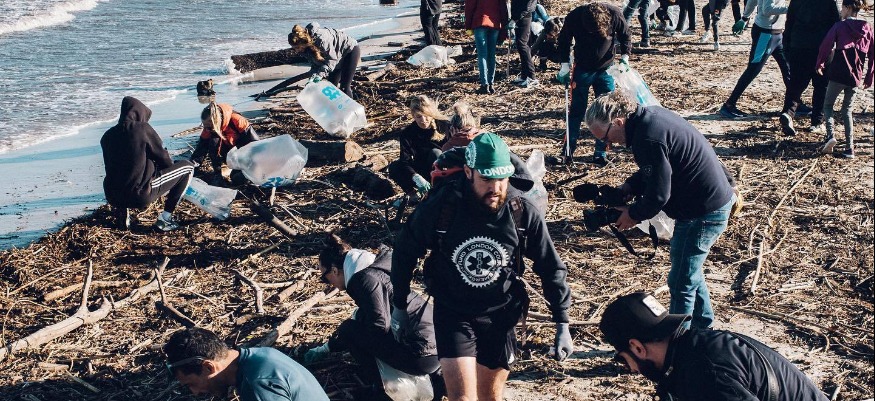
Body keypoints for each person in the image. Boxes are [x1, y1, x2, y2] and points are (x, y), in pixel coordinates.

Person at [391, 133, 572, 401]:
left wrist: (562, 321)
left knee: (490, 398)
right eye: (486, 179)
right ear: (468, 172)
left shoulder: (521, 211)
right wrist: (399, 305)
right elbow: (405, 251)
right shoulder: (443, 206)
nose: (495, 188)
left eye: (502, 179)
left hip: (500, 313)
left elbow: (550, 266)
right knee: (462, 398)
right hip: (453, 311)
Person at [585, 91, 737, 330]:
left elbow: (658, 195)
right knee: (688, 268)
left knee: (681, 282)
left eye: (606, 138)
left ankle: (678, 341)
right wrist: (630, 187)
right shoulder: (650, 118)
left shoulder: (648, 138)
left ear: (618, 122)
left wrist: (632, 215)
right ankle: (702, 326)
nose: (608, 146)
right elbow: (659, 168)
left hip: (703, 211)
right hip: (708, 201)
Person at [600, 292, 830, 401]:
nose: (631, 370)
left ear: (637, 347)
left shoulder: (703, 373)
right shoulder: (696, 346)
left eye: (622, 359)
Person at [303, 233, 445, 400]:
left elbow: (379, 326)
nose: (327, 283)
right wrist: (329, 346)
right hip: (439, 347)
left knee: (348, 329)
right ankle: (436, 379)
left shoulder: (363, 279)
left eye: (324, 277)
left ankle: (383, 389)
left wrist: (344, 341)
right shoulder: (377, 269)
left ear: (334, 270)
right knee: (359, 318)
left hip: (420, 356)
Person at [101, 96, 195, 232]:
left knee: (121, 170)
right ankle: (165, 219)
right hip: (140, 195)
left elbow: (111, 169)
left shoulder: (107, 136)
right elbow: (164, 160)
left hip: (113, 196)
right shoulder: (142, 128)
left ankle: (122, 214)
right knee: (187, 167)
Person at [554, 2, 631, 166]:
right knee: (576, 110)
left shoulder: (614, 15)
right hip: (582, 68)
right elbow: (564, 40)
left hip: (606, 69)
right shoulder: (574, 17)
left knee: (607, 111)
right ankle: (568, 151)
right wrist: (564, 65)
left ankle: (600, 153)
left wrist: (625, 58)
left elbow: (625, 35)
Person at [163, 327, 329, 401]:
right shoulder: (260, 355)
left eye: (191, 384)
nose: (195, 392)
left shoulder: (256, 383)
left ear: (209, 367)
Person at [815, 0, 873, 159]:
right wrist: (869, 76)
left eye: (842, 8)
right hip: (855, 76)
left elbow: (826, 45)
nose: (840, 11)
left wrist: (820, 63)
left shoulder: (839, 26)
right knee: (847, 110)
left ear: (847, 8)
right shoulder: (867, 28)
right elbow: (872, 54)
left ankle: (830, 136)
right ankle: (849, 148)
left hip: (838, 73)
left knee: (828, 105)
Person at [777, 0, 841, 137]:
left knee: (796, 84)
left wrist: (787, 46)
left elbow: (789, 22)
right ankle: (817, 122)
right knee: (821, 86)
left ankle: (788, 113)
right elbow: (836, 23)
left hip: (798, 45)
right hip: (822, 47)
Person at [719, 0, 790, 118]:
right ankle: (729, 105)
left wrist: (744, 18)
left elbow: (752, 0)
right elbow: (767, 9)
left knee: (788, 68)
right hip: (766, 34)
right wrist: (792, 8)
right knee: (753, 69)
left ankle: (795, 103)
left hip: (776, 34)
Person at [387, 95, 449, 199]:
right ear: (413, 116)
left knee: (436, 153)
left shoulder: (443, 126)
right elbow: (405, 160)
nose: (423, 120)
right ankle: (413, 196)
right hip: (422, 170)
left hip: (443, 169)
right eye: (419, 117)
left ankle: (442, 190)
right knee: (394, 167)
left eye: (426, 116)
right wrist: (415, 176)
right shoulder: (408, 133)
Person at [190, 102, 260, 186]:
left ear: (217, 122)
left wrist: (237, 151)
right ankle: (218, 173)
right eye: (204, 127)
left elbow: (255, 144)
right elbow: (200, 152)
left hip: (246, 156)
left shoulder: (237, 121)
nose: (207, 130)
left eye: (209, 127)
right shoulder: (209, 129)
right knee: (234, 178)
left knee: (238, 179)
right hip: (230, 158)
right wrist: (191, 167)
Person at [288, 23, 361, 98]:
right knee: (332, 86)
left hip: (349, 51)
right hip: (337, 55)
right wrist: (313, 78)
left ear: (303, 42)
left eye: (297, 48)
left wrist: (319, 75)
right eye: (294, 48)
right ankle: (333, 105)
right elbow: (316, 64)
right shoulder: (305, 48)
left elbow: (331, 60)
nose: (296, 50)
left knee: (344, 87)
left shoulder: (322, 40)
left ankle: (350, 105)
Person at [465, 0, 509, 95]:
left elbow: (469, 7)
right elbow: (503, 9)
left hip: (480, 22)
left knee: (482, 55)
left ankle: (484, 85)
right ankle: (491, 83)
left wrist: (468, 26)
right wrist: (504, 30)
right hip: (495, 23)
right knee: (491, 55)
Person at [509, 0, 540, 88]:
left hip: (523, 15)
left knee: (522, 44)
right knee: (522, 44)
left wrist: (515, 19)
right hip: (521, 15)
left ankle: (531, 77)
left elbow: (526, 5)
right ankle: (524, 76)